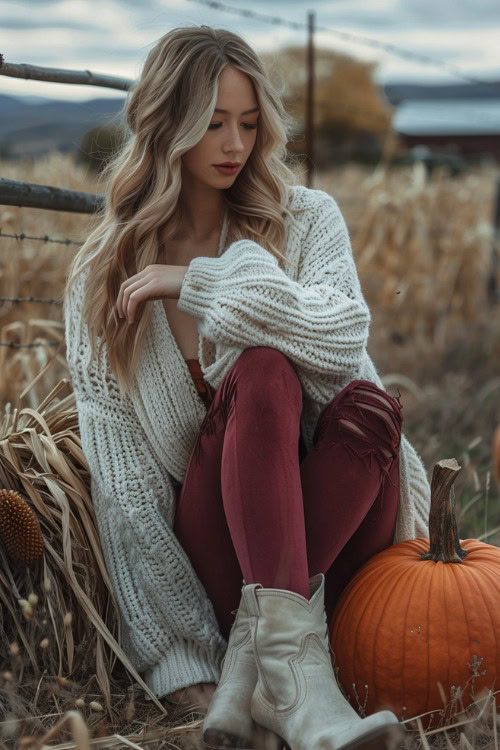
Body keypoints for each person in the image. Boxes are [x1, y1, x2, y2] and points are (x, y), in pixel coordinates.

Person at [63, 25, 431, 750]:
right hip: (222, 549)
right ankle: (280, 674)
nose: (235, 143)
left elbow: (341, 337)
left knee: (371, 406)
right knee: (261, 371)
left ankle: (254, 673)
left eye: (249, 122)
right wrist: (181, 652)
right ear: (167, 125)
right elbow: (128, 486)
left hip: (341, 508)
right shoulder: (101, 278)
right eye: (212, 123)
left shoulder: (305, 219)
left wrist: (200, 283)